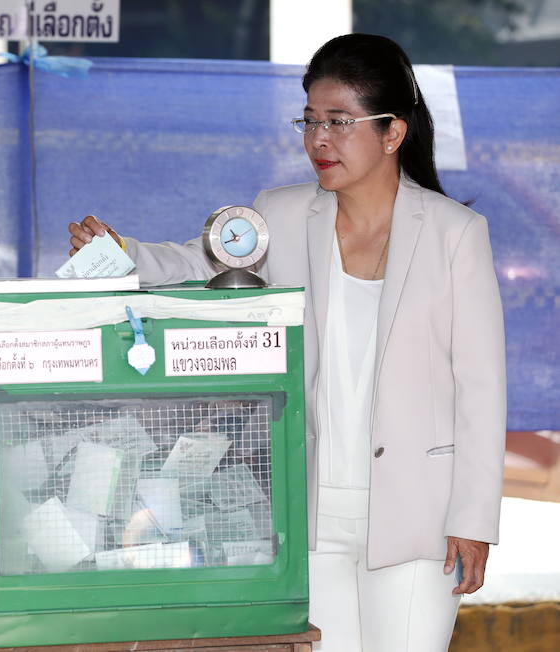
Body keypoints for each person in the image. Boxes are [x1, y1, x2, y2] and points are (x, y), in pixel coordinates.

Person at [68, 34, 505, 652]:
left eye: (338, 122)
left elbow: (481, 389)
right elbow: (199, 263)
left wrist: (473, 519)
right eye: (309, 120)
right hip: (309, 516)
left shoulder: (455, 232)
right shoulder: (280, 213)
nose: (318, 139)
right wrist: (122, 256)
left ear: (393, 132)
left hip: (421, 519)